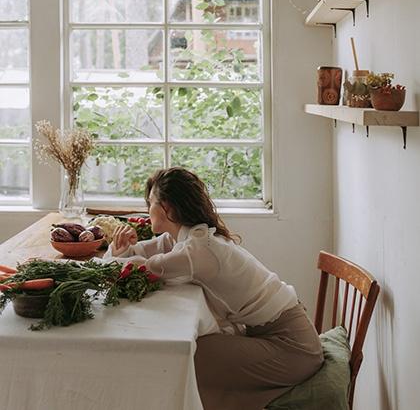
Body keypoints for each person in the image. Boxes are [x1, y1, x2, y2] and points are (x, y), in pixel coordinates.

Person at [104, 167, 324, 410]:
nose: (148, 208)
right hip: (276, 334)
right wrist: (122, 248)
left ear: (166, 207)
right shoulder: (186, 237)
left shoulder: (199, 250)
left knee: (186, 354)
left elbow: (143, 267)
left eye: (151, 202)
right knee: (184, 351)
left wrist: (121, 257)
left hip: (294, 348)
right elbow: (142, 254)